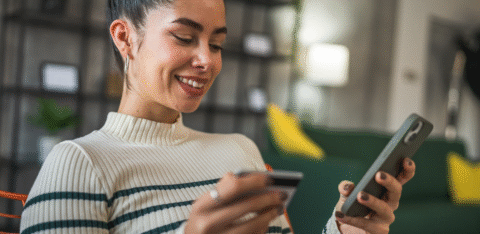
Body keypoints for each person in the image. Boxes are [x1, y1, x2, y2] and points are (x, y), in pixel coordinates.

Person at [20, 0, 416, 233]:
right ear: (125, 37)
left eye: (217, 43)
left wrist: (344, 229)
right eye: (184, 37)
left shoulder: (240, 151)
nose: (207, 60)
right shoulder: (80, 163)